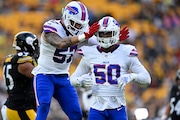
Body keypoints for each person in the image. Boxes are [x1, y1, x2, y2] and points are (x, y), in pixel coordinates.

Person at [70, 16, 151, 120]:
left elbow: (147, 79)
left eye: (108, 33)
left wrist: (131, 77)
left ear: (116, 33)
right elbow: (72, 79)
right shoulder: (90, 53)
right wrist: (81, 81)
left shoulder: (126, 52)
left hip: (118, 107)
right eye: (102, 34)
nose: (105, 37)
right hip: (96, 108)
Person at [1, 31, 39, 120]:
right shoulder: (24, 64)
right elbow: (41, 76)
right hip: (20, 108)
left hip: (14, 106)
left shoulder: (12, 60)